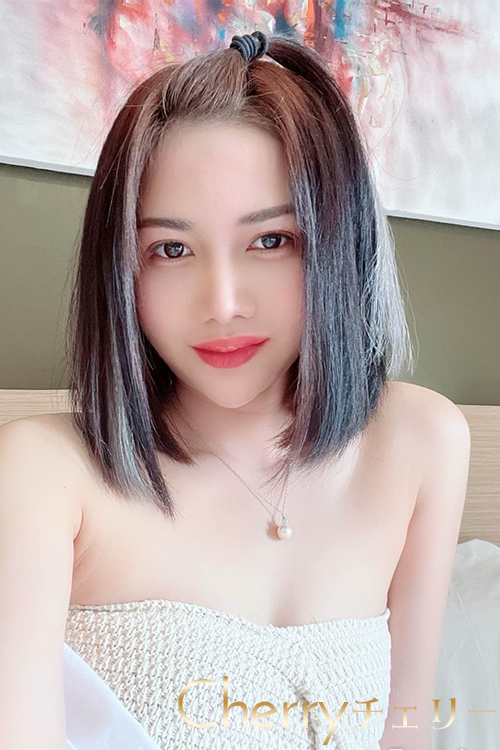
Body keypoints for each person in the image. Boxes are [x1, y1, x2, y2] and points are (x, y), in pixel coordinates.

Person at [0, 30, 471, 750]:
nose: (222, 304)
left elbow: (407, 730)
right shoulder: (43, 475)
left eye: (271, 240)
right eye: (172, 249)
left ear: (336, 243)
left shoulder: (420, 442)